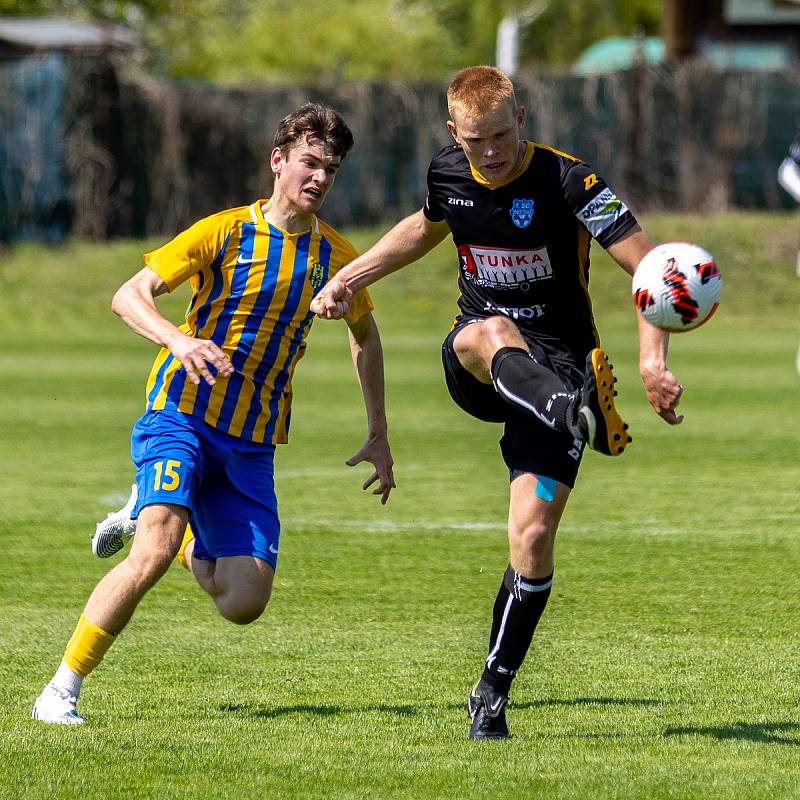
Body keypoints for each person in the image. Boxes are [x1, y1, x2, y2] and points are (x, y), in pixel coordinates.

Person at [311, 66, 683, 740]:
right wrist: (350, 275)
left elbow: (654, 271)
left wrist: (653, 362)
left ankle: (491, 690)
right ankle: (566, 408)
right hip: (479, 363)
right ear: (455, 133)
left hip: (565, 363)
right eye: (476, 140)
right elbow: (423, 230)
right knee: (493, 331)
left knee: (533, 539)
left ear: (523, 119)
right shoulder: (447, 173)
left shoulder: (572, 181)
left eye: (502, 136)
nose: (491, 152)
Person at [32, 103, 395, 725]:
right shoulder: (225, 232)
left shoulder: (338, 256)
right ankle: (61, 688)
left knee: (243, 602)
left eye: (330, 169)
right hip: (180, 411)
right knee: (152, 547)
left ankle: (157, 514)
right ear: (277, 161)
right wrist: (178, 341)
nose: (319, 178)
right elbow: (129, 295)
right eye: (309, 162)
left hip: (252, 439)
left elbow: (366, 335)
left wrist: (379, 432)